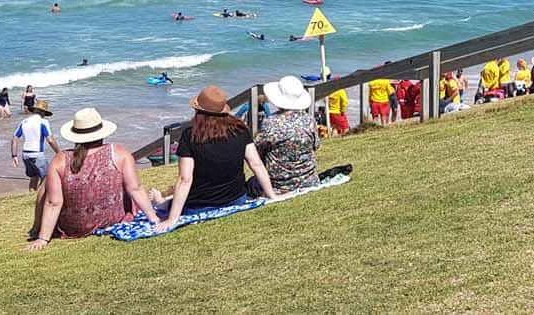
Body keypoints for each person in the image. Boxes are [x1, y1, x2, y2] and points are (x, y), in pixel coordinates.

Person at [28, 108, 157, 249]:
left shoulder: (60, 160)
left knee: (47, 182)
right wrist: (154, 219)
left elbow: (54, 202)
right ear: (101, 132)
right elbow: (135, 189)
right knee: (129, 187)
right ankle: (157, 199)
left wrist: (43, 238)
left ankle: (36, 228)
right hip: (113, 220)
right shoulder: (119, 152)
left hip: (75, 228)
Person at [154, 86, 276, 233]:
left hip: (199, 207)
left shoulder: (190, 135)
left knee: (183, 194)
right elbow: (256, 164)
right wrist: (271, 195)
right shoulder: (240, 129)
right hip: (236, 199)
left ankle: (163, 203)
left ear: (198, 110)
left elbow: (185, 180)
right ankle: (163, 202)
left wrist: (172, 219)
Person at [253, 76, 320, 194]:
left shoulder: (270, 123)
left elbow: (258, 151)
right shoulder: (309, 120)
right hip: (309, 180)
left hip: (278, 185)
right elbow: (316, 145)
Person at [12, 100, 59, 192]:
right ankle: (39, 197)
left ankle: (31, 194)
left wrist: (14, 155)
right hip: (37, 154)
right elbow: (50, 140)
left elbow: (14, 138)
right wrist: (58, 152)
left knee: (34, 176)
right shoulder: (43, 122)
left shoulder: (24, 121)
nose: (45, 115)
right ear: (42, 112)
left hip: (25, 154)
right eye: (44, 113)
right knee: (46, 177)